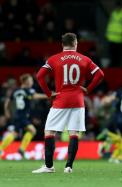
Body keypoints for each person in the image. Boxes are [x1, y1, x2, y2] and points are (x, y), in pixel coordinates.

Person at [32, 33, 104, 173]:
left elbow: (39, 76)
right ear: (76, 43)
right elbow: (100, 74)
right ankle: (69, 166)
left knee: (49, 131)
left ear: (62, 44)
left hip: (61, 99)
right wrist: (88, 89)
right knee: (73, 133)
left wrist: (49, 94)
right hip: (78, 100)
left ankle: (49, 166)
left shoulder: (54, 59)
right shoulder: (85, 59)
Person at [0, 74, 47, 158]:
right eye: (30, 80)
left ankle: (17, 149)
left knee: (15, 133)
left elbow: (7, 102)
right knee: (32, 131)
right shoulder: (28, 90)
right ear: (25, 82)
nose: (32, 82)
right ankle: (21, 149)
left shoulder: (15, 91)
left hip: (18, 115)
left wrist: (7, 111)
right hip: (22, 116)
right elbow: (35, 96)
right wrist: (48, 95)